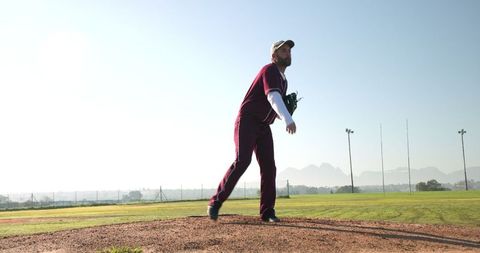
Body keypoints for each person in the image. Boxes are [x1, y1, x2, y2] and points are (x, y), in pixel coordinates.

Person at [207, 40, 297, 222]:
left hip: (263, 126)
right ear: (274, 56)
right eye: (283, 51)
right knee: (243, 160)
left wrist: (283, 113)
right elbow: (272, 97)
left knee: (269, 167)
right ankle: (215, 202)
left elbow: (273, 106)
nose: (288, 53)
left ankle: (267, 212)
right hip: (247, 120)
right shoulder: (269, 70)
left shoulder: (283, 80)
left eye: (289, 50)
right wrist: (287, 117)